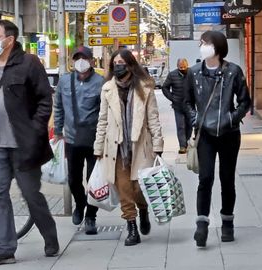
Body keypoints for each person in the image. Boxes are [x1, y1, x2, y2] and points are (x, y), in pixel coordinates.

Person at [0, 19, 59, 266]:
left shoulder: (28, 63)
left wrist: (34, 130)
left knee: (31, 195)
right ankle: (4, 250)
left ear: (10, 40)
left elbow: (45, 100)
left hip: (23, 144)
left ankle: (49, 235)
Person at [184, 31, 251, 247]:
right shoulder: (194, 73)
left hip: (229, 134)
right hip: (205, 134)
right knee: (205, 179)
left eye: (206, 43)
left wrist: (231, 119)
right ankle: (201, 224)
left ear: (218, 47)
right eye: (202, 43)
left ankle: (227, 222)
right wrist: (196, 119)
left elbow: (244, 101)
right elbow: (186, 102)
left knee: (227, 178)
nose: (202, 46)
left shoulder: (233, 71)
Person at [93, 49, 164, 246]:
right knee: (124, 188)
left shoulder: (145, 87)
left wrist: (158, 145)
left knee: (138, 188)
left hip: (140, 145)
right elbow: (103, 120)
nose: (118, 65)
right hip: (116, 147)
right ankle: (132, 227)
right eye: (115, 62)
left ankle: (143, 209)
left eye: (122, 62)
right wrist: (98, 147)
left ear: (130, 65)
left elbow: (153, 118)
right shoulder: (107, 88)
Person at [53, 46, 105, 234]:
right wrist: (58, 130)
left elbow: (105, 112)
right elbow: (58, 106)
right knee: (73, 179)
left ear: (92, 61)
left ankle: (91, 216)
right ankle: (80, 203)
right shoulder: (65, 81)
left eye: (84, 58)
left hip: (94, 140)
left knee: (94, 180)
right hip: (72, 139)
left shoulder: (100, 82)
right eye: (77, 58)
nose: (80, 61)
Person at [161, 58, 192, 154]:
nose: (182, 68)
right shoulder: (172, 75)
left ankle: (186, 141)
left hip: (190, 105)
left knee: (190, 125)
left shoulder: (192, 74)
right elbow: (165, 87)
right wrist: (172, 98)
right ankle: (182, 146)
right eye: (180, 67)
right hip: (178, 105)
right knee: (180, 126)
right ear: (177, 66)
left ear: (187, 65)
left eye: (184, 67)